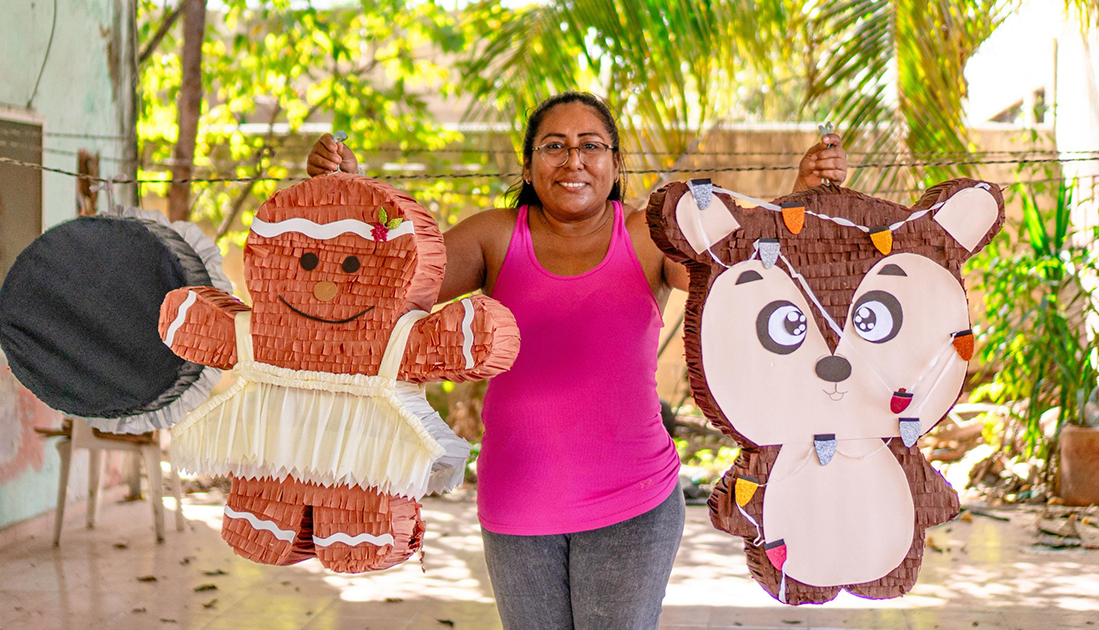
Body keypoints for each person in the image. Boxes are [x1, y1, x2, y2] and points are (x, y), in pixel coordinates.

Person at [307, 91, 847, 630]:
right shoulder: (493, 235)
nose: (574, 161)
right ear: (528, 164)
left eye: (591, 146)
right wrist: (347, 197)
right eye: (554, 146)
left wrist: (801, 197)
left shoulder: (649, 236)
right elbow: (388, 286)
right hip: (517, 502)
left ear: (615, 163)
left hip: (635, 503)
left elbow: (751, 273)